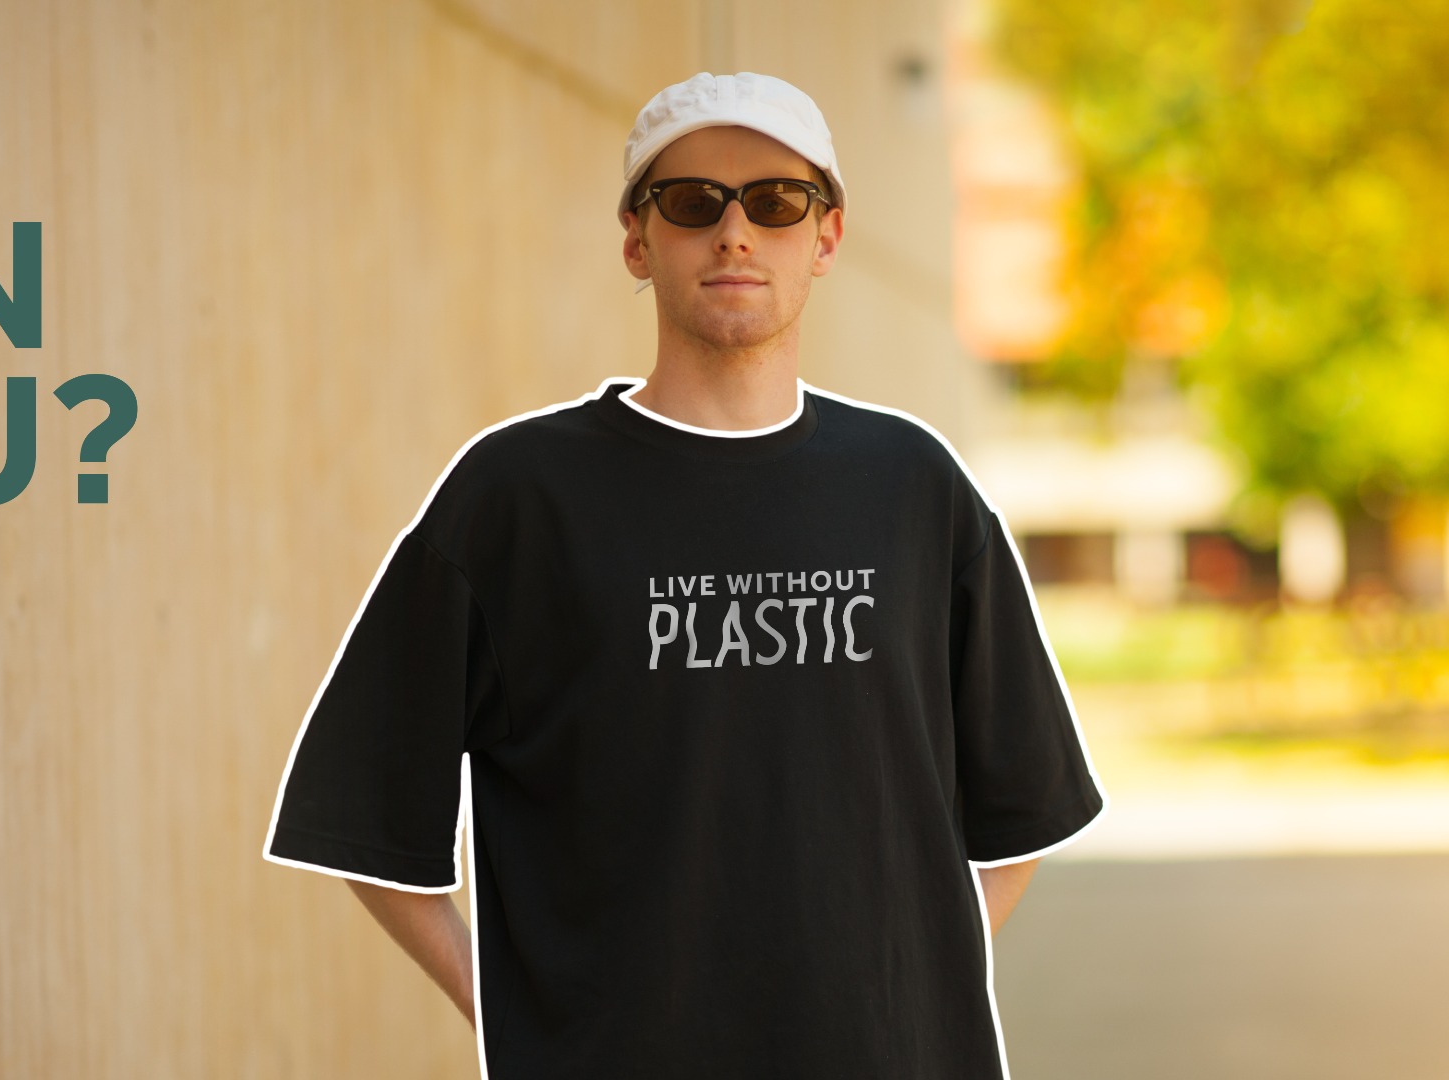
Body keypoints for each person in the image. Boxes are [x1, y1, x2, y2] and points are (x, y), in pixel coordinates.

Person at [264, 70, 1106, 1078]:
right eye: (694, 202)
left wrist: (906, 993)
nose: (736, 233)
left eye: (777, 202)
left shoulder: (913, 488)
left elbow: (1026, 806)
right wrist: (510, 1009)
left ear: (826, 236)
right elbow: (363, 814)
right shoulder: (518, 498)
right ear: (637, 238)